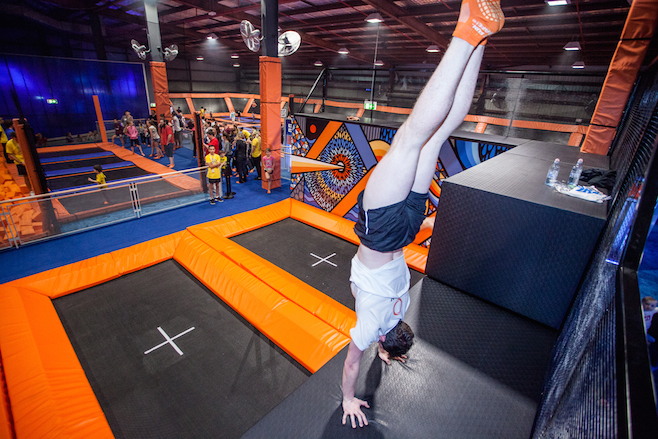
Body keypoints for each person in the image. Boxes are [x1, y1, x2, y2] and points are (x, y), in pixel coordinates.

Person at [340, 0, 504, 429]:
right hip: (381, 233)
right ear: (383, 340)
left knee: (438, 133)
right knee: (411, 136)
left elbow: (387, 334)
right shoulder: (372, 325)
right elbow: (352, 363)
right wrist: (348, 399)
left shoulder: (401, 307)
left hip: (406, 229)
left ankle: (480, 41)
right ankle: (468, 35)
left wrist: (386, 347)